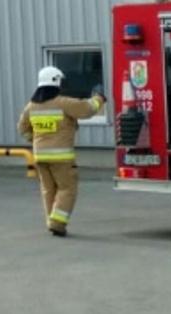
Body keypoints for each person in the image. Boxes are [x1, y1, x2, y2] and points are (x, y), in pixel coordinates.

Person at [18, 66, 105, 237]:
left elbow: (22, 128)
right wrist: (99, 98)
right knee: (67, 189)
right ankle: (57, 223)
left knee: (48, 190)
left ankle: (52, 222)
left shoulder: (31, 106)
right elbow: (87, 109)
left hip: (40, 156)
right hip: (61, 157)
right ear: (56, 81)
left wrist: (34, 140)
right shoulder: (63, 103)